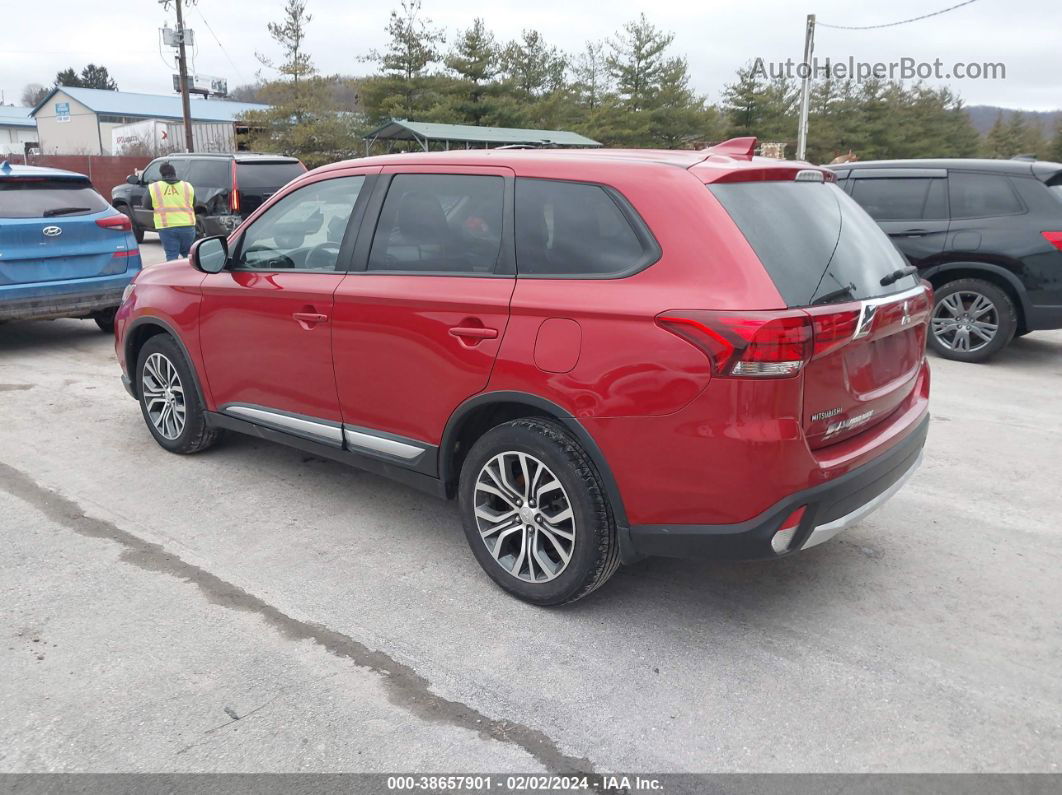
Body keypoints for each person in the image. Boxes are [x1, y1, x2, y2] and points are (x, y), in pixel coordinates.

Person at [143, 162, 196, 261]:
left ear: (161, 174)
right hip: (188, 227)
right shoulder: (187, 186)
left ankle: (175, 276)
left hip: (167, 227)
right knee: (189, 257)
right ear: (174, 173)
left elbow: (146, 205)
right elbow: (194, 203)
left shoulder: (154, 187)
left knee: (172, 256)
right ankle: (191, 275)